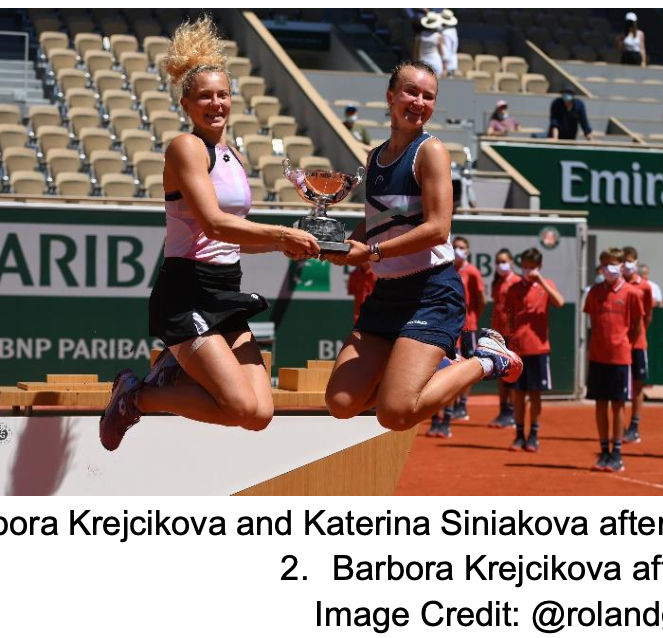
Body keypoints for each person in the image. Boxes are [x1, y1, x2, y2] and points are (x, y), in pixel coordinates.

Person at [99, 17, 322, 451]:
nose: (216, 103)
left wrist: (293, 244)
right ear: (186, 105)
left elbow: (233, 239)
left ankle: (169, 372)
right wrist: (280, 236)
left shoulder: (233, 154)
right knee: (238, 406)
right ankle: (135, 394)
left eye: (223, 94)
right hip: (185, 292)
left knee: (258, 415)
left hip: (225, 290)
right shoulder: (185, 147)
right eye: (205, 97)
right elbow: (213, 223)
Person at [323, 60, 523, 433]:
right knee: (341, 402)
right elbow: (376, 218)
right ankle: (425, 371)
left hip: (431, 292)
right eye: (410, 92)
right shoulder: (376, 157)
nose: (418, 101)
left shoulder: (430, 152)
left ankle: (487, 359)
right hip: (387, 295)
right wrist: (343, 246)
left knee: (395, 414)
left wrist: (372, 253)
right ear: (390, 97)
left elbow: (437, 229)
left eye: (428, 96)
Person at [584, 247, 645, 472]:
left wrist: (623, 345)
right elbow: (592, 320)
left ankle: (617, 453)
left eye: (614, 263)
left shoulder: (632, 293)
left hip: (620, 358)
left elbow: (637, 326)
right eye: (606, 264)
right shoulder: (594, 292)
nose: (610, 268)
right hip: (598, 357)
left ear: (621, 266)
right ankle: (604, 452)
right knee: (600, 404)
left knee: (618, 405)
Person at [502, 248, 565, 452]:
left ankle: (534, 435)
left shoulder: (546, 286)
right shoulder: (513, 288)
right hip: (519, 350)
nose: (528, 270)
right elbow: (509, 317)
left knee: (535, 394)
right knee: (519, 393)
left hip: (539, 349)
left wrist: (542, 281)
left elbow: (560, 302)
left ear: (539, 267)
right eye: (525, 266)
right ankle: (520, 435)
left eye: (532, 267)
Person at [448, 235, 487, 421]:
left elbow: (481, 300)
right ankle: (449, 405)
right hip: (450, 326)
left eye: (462, 247)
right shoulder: (446, 269)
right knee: (452, 365)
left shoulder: (472, 272)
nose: (458, 250)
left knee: (468, 365)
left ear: (468, 251)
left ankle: (462, 405)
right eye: (455, 246)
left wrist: (473, 318)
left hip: (468, 327)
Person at [620, 246, 654, 444]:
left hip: (638, 343)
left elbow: (648, 315)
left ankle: (634, 425)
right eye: (623, 261)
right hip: (621, 344)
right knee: (621, 385)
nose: (626, 265)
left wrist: (638, 333)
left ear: (636, 261)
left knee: (638, 384)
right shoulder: (618, 285)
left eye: (629, 261)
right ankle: (621, 426)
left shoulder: (645, 287)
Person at [488, 248, 520, 427]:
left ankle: (512, 413)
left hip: (512, 335)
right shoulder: (498, 282)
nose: (501, 265)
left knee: (512, 374)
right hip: (499, 335)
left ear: (512, 262)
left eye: (504, 261)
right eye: (498, 261)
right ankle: (503, 412)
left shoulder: (515, 282)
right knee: (501, 373)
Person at [439, 9, 460, 77]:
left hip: (447, 64)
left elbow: (446, 49)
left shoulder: (446, 33)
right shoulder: (453, 30)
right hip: (452, 62)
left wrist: (445, 66)